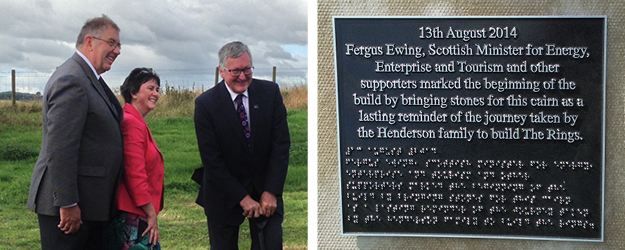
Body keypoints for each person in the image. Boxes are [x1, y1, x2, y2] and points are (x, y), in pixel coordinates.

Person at [27, 15, 123, 249]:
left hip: (89, 204)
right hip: (70, 210)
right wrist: (68, 203)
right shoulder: (72, 79)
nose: (117, 51)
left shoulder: (89, 78)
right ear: (90, 41)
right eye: (112, 43)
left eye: (119, 45)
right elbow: (61, 147)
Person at [194, 41, 291, 250]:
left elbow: (281, 145)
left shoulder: (270, 93)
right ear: (221, 71)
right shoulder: (205, 104)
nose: (242, 76)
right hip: (223, 194)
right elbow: (212, 159)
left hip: (266, 193)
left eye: (247, 69)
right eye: (235, 70)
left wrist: (271, 191)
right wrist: (242, 198)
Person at [105, 68, 164, 250]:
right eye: (150, 88)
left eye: (157, 89)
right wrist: (150, 213)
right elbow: (134, 173)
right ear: (133, 92)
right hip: (134, 213)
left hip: (138, 211)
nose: (156, 94)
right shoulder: (131, 123)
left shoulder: (136, 120)